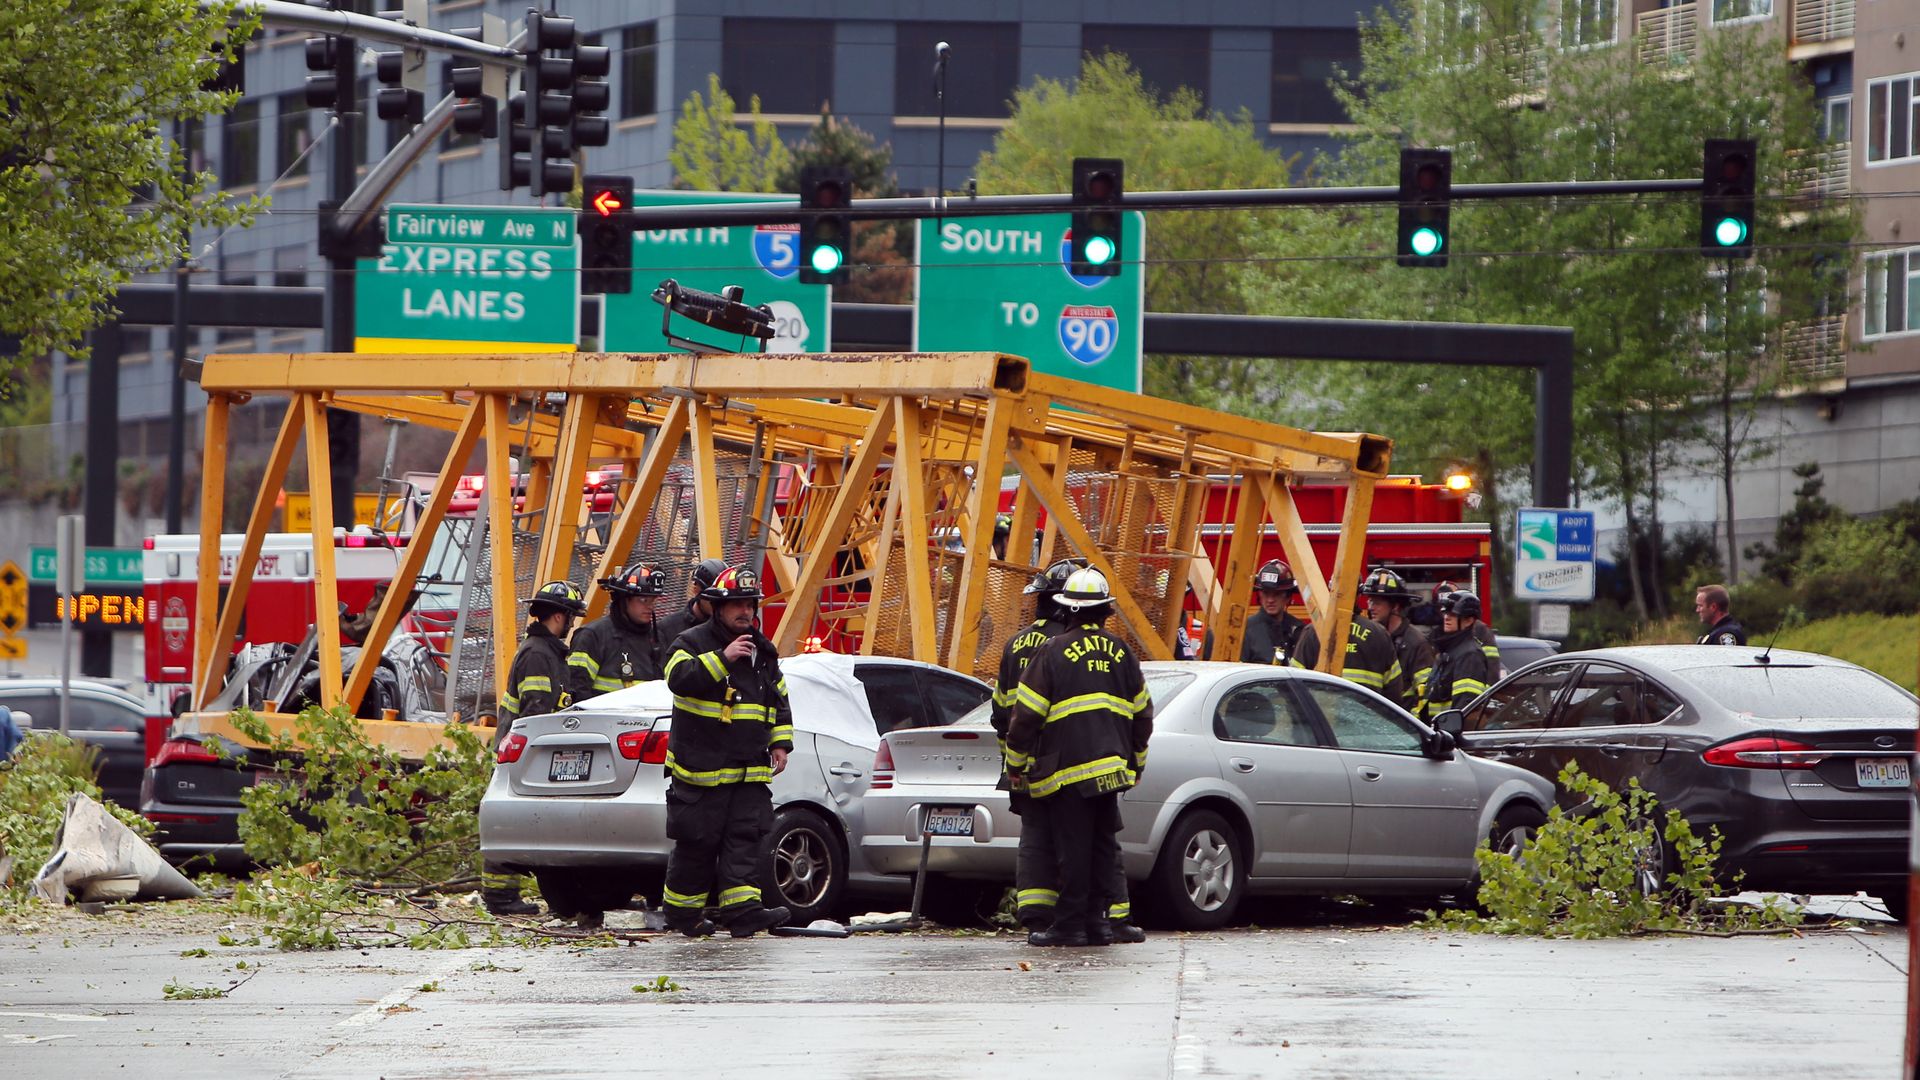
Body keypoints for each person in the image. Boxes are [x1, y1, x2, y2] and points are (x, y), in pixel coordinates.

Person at [990, 559, 1146, 943]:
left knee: (1072, 851)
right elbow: (1142, 715)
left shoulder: (1054, 651)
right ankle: (1098, 923)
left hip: (1067, 771)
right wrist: (1136, 765)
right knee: (1101, 848)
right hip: (1111, 772)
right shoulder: (1122, 652)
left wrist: (1016, 765)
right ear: (1106, 610)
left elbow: (1024, 716)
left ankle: (1071, 926)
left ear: (1066, 607)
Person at [659, 565, 793, 939]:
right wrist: (724, 657)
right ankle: (683, 915)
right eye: (736, 604)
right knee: (698, 844)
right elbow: (678, 679)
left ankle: (743, 913)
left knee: (744, 841)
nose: (745, 611)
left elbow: (778, 700)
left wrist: (781, 742)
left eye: (749, 604)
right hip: (700, 771)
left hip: (749, 771)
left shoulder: (763, 652)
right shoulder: (690, 643)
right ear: (717, 607)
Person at [490, 578, 587, 917]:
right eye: (571, 616)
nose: (573, 623)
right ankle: (500, 898)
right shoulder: (537, 654)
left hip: (529, 750)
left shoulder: (548, 652)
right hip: (521, 750)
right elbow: (536, 710)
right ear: (559, 616)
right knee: (509, 820)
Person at [567, 562, 668, 703]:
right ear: (624, 599)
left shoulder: (656, 639)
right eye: (644, 600)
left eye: (653, 601)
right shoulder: (593, 636)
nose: (650, 607)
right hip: (600, 723)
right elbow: (577, 689)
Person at [1289, 603, 1406, 703]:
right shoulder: (1379, 633)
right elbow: (1394, 689)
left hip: (1323, 718)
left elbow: (1294, 682)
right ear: (1359, 595)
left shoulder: (1313, 632)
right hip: (1368, 719)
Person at [1359, 567, 1436, 715]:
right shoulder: (1372, 637)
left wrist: (1410, 727)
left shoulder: (1416, 643)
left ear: (1395, 606)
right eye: (1369, 601)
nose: (1370, 607)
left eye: (1377, 602)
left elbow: (1425, 693)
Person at [1201, 559, 1307, 665]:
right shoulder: (1244, 630)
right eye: (1266, 593)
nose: (1270, 600)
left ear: (1288, 597)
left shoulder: (1298, 629)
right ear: (1259, 595)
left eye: (1277, 594)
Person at [1424, 589, 1494, 715]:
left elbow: (1465, 704)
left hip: (1449, 731)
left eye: (1453, 614)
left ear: (1469, 620)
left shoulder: (1470, 655)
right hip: (1436, 730)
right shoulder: (1449, 650)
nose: (1446, 618)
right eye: (1446, 613)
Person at [656, 557, 728, 649]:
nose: (719, 604)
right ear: (696, 589)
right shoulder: (667, 628)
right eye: (712, 597)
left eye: (724, 600)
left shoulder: (728, 630)